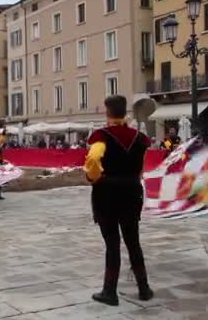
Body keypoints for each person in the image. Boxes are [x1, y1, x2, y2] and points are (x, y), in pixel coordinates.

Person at [84, 95, 154, 306]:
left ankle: (110, 291)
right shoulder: (139, 137)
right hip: (132, 192)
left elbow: (94, 159)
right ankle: (143, 288)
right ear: (125, 112)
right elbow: (141, 165)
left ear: (108, 113)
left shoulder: (101, 136)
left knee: (112, 244)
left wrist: (93, 176)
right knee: (133, 242)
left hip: (107, 193)